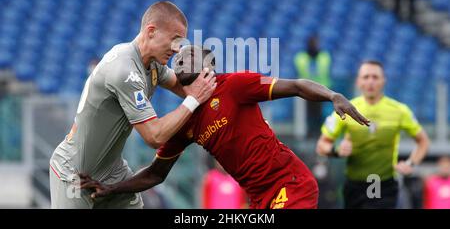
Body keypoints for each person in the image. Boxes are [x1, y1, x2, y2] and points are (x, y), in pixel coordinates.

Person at [79, 45, 370, 209]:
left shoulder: (236, 85)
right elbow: (156, 173)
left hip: (289, 183)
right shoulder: (185, 120)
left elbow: (295, 86)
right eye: (178, 58)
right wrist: (112, 188)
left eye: (189, 54)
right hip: (258, 200)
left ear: (209, 64)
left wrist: (333, 95)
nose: (180, 58)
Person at [49, 1, 217, 209]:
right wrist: (193, 100)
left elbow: (190, 90)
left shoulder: (153, 63)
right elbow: (154, 136)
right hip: (75, 174)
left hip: (112, 173)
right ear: (151, 31)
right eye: (174, 40)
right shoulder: (124, 69)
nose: (177, 49)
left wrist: (230, 104)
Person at [316, 60, 430, 209]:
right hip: (354, 185)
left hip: (384, 183)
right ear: (358, 82)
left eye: (375, 77)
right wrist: (336, 150)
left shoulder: (399, 110)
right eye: (366, 77)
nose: (370, 82)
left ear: (383, 81)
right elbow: (321, 145)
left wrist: (410, 163)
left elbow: (423, 141)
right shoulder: (345, 108)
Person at [294, 36, 332, 137]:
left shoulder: (324, 56)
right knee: (308, 114)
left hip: (322, 89)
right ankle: (308, 133)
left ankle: (321, 132)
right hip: (305, 90)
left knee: (320, 113)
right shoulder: (300, 57)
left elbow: (324, 72)